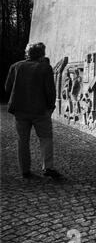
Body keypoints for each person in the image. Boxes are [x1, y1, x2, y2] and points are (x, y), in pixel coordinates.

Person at [5, 42, 61, 180]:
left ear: (27, 53)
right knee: (46, 138)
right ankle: (48, 167)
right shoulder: (45, 68)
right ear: (42, 54)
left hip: (20, 110)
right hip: (40, 110)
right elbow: (50, 91)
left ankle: (25, 170)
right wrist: (50, 108)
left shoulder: (16, 66)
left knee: (22, 141)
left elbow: (7, 87)